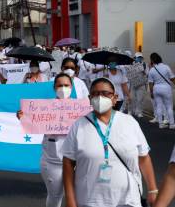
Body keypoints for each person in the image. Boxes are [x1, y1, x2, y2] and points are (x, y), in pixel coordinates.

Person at [62, 77, 158, 207]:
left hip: (128, 200)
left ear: (115, 98)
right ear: (89, 98)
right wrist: (70, 199)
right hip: (89, 201)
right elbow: (68, 163)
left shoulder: (129, 122)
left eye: (105, 93)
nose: (100, 97)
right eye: (95, 94)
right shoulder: (78, 125)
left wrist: (152, 189)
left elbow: (144, 158)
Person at [18, 73, 76, 207]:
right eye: (60, 85)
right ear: (54, 87)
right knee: (55, 196)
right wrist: (22, 117)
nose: (63, 88)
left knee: (76, 195)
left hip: (76, 162)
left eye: (66, 85)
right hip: (53, 162)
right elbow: (32, 123)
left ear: (71, 87)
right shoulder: (44, 108)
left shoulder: (80, 108)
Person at [148, 53, 175, 129]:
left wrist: (151, 92)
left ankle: (160, 124)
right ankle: (172, 124)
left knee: (159, 106)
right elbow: (172, 78)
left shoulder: (152, 70)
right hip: (166, 88)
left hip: (156, 88)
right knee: (169, 106)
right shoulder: (166, 67)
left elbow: (150, 83)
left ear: (152, 60)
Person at [129, 52, 149, 118]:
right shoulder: (131, 64)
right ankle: (131, 111)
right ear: (135, 58)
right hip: (133, 83)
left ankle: (139, 112)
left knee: (140, 99)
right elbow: (128, 73)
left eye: (140, 57)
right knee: (132, 98)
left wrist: (143, 70)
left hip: (141, 84)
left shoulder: (144, 64)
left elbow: (147, 74)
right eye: (138, 57)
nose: (139, 59)